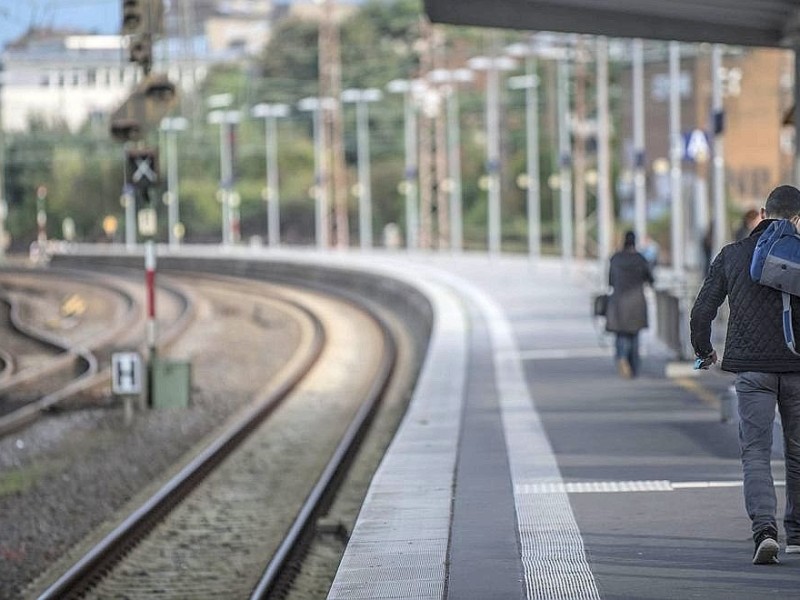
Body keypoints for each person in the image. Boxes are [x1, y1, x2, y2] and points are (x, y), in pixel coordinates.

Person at [690, 184, 800, 565]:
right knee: (797, 452)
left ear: (764, 214)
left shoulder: (733, 255)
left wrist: (704, 352)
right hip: (797, 368)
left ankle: (764, 530)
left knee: (755, 452)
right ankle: (797, 533)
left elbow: (702, 310)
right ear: (798, 218)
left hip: (752, 369)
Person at [606, 230, 654, 378]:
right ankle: (633, 367)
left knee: (620, 334)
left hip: (619, 300)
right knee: (634, 335)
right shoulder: (640, 259)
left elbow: (610, 281)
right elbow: (650, 279)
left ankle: (621, 357)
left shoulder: (615, 258)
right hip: (636, 301)